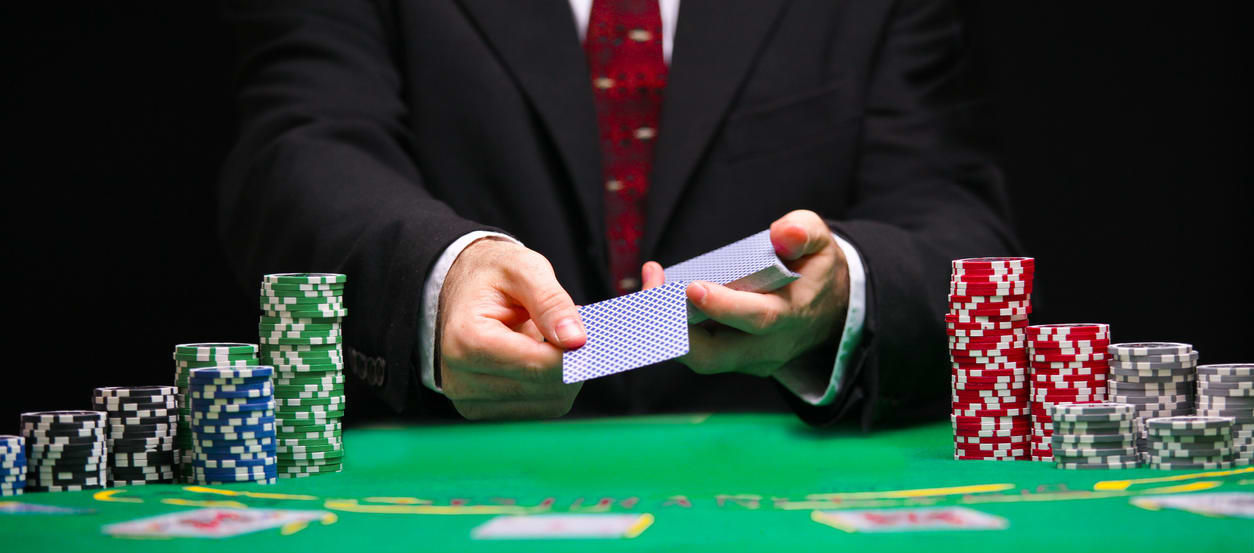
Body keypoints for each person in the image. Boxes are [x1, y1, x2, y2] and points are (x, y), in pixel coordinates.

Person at [219, 0, 1018, 427]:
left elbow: (957, 226)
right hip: (439, 541)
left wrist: (844, 291)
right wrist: (438, 275)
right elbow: (297, 153)